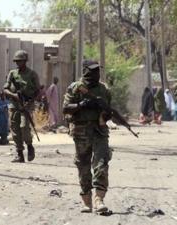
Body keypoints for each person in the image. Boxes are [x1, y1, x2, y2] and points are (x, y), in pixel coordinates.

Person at [63, 60, 112, 213]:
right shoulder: (75, 88)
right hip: (81, 131)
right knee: (83, 166)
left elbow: (109, 111)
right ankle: (86, 200)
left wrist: (105, 114)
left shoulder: (103, 89)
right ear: (85, 71)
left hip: (99, 131)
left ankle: (99, 199)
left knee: (101, 164)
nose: (96, 74)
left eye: (97, 71)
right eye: (93, 71)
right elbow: (65, 108)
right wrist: (81, 105)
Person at [3, 50, 40, 163]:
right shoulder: (12, 74)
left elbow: (37, 90)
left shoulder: (32, 74)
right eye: (17, 61)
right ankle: (19, 153)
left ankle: (29, 146)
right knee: (15, 130)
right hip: (14, 105)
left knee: (24, 127)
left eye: (20, 61)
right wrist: (14, 95)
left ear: (25, 61)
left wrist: (30, 101)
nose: (18, 63)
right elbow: (5, 89)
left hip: (26, 105)